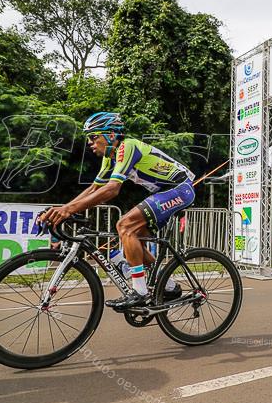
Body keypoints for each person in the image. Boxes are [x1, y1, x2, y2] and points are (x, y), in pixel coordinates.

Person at [38, 112, 195, 310]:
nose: (90, 143)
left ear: (111, 135)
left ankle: (140, 292)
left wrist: (68, 210)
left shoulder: (127, 146)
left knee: (124, 226)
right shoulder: (109, 157)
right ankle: (170, 287)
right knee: (134, 239)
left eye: (93, 137)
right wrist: (63, 209)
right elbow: (95, 189)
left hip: (179, 188)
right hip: (165, 191)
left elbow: (112, 189)